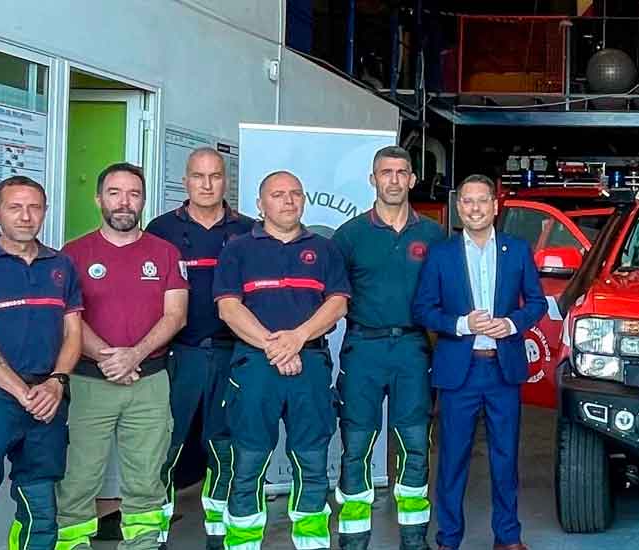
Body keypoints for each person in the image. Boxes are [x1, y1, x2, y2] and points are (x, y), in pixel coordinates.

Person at [214, 171, 349, 550]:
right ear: (260, 204)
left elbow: (337, 303)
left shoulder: (325, 249)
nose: (288, 201)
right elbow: (228, 308)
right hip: (255, 366)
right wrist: (276, 347)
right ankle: (242, 543)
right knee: (248, 463)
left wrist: (297, 338)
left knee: (312, 461)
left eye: (295, 194)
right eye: (278, 195)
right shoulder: (238, 249)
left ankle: (311, 543)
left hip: (310, 364)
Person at [56, 163, 189, 550]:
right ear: (99, 199)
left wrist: (134, 356)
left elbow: (176, 314)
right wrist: (108, 358)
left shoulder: (165, 253)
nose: (124, 202)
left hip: (148, 382)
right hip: (87, 383)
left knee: (146, 482)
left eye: (133, 193)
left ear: (143, 200)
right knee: (78, 480)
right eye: (114, 192)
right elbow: (69, 320)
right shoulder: (73, 254)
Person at [412, 174, 546, 550]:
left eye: (482, 201)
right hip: (460, 371)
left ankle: (508, 538)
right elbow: (423, 309)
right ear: (458, 209)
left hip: (503, 369)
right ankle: (448, 539)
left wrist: (510, 323)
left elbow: (536, 303)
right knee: (452, 460)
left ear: (495, 205)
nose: (475, 208)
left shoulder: (517, 250)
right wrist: (461, 324)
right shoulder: (441, 254)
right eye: (467, 202)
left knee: (506, 459)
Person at [0, 176, 82, 550]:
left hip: (48, 398)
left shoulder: (62, 265)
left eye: (34, 207)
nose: (26, 216)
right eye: (15, 207)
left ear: (45, 212)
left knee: (41, 501)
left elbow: (73, 333)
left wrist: (56, 382)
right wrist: (21, 391)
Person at [332, 146, 444, 550]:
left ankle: (414, 541)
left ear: (413, 179)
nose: (394, 180)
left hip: (413, 350)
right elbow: (330, 297)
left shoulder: (432, 234)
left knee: (415, 445)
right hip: (363, 347)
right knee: (356, 448)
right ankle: (354, 541)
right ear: (373, 179)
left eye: (401, 172)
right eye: (385, 172)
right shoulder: (349, 235)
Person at [145, 147, 254, 548]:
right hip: (177, 354)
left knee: (224, 445)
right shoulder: (160, 230)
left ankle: (218, 535)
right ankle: (154, 534)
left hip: (233, 353)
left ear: (226, 181)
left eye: (215, 176)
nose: (207, 185)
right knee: (165, 445)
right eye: (198, 176)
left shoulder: (248, 230)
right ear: (185, 180)